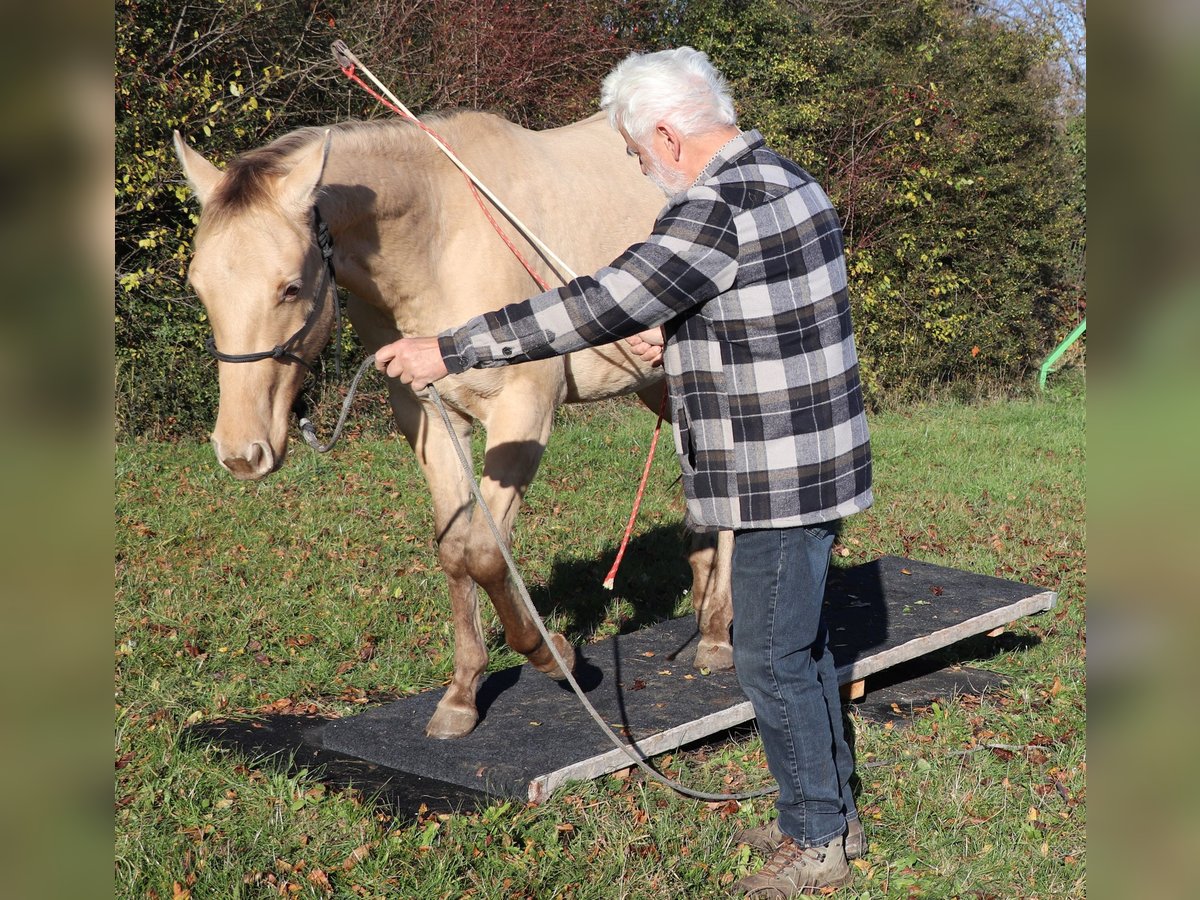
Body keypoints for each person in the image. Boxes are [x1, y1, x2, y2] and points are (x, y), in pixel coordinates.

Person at [375, 46, 873, 896]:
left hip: (774, 475)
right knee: (802, 646)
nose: (643, 169)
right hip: (818, 458)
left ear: (670, 135)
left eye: (639, 154)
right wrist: (682, 332)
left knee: (772, 659)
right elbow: (776, 307)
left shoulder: (712, 209)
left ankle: (818, 841)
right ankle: (827, 815)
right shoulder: (788, 180)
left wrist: (448, 348)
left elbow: (594, 304)